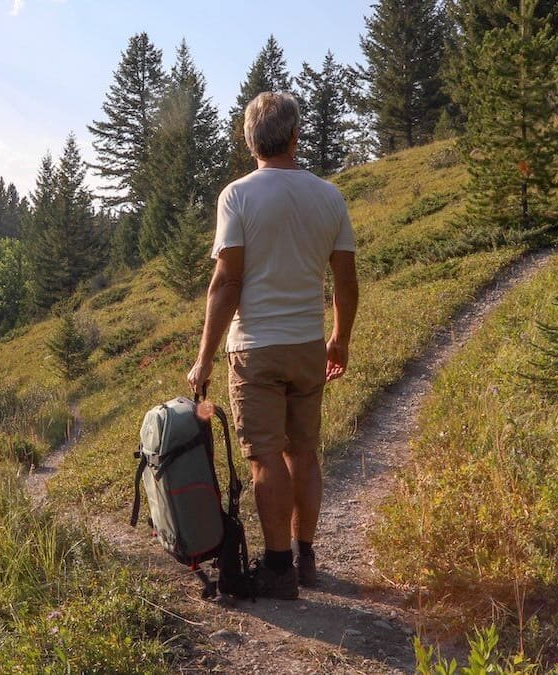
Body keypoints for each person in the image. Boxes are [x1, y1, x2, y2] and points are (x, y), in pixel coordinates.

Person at [186, 91, 358, 600]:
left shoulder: (237, 196)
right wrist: (339, 339)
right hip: (308, 344)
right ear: (295, 135)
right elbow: (345, 281)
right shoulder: (329, 196)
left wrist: (203, 358)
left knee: (265, 458)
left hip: (255, 349)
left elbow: (225, 283)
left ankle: (278, 569)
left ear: (249, 140)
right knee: (303, 453)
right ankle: (306, 559)